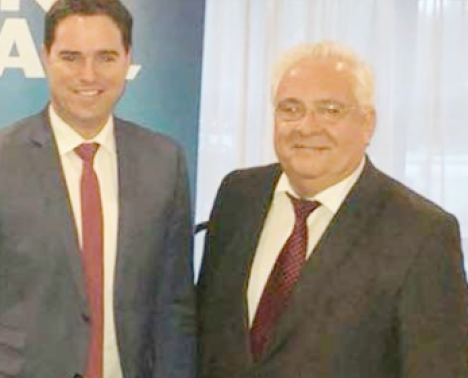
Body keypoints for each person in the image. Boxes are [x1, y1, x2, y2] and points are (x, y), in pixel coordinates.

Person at [0, 0, 196, 378]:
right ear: (46, 59)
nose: (88, 75)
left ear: (128, 60)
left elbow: (175, 311)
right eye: (71, 58)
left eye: (105, 57)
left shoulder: (164, 163)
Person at [196, 41, 468, 378]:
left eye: (330, 110)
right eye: (290, 109)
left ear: (368, 123)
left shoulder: (421, 232)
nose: (307, 126)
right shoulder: (238, 196)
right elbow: (208, 334)